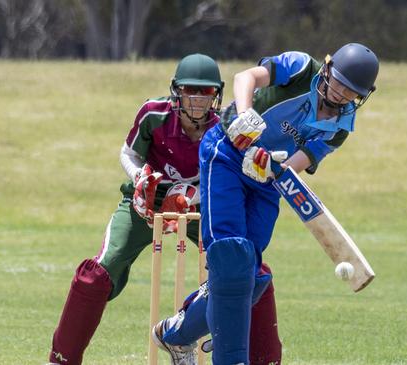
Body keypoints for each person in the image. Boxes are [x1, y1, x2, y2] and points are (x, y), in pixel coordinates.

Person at [48, 54, 282, 365]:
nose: (197, 100)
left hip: (203, 206)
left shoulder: (226, 125)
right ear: (176, 91)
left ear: (217, 95)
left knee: (246, 270)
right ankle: (61, 359)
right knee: (102, 269)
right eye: (190, 91)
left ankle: (262, 359)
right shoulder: (153, 114)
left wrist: (191, 196)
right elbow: (128, 153)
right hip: (146, 203)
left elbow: (231, 176)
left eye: (206, 92)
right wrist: (139, 178)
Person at [153, 43, 379, 364]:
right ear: (327, 69)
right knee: (231, 256)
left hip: (265, 180)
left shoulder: (342, 125)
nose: (341, 94)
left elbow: (296, 165)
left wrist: (270, 165)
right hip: (227, 153)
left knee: (251, 277)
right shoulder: (302, 67)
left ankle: (176, 335)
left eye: (351, 92)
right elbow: (246, 77)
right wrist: (245, 115)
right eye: (339, 82)